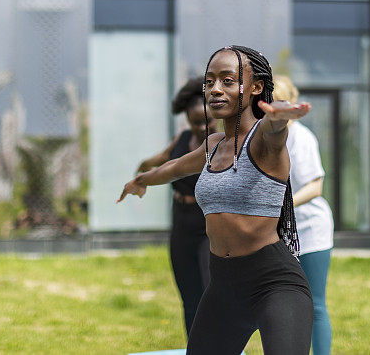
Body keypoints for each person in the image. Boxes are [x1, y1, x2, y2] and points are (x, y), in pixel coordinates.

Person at [119, 45, 314, 355]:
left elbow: (274, 133)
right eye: (209, 82)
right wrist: (141, 180)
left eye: (227, 80)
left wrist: (278, 119)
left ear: (255, 87)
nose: (215, 89)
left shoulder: (263, 139)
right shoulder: (213, 145)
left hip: (274, 283)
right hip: (224, 286)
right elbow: (175, 167)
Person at [134, 76, 217, 336]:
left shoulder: (222, 145)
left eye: (207, 121)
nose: (202, 127)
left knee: (209, 294)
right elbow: (160, 162)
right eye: (195, 123)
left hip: (209, 226)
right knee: (188, 295)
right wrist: (141, 173)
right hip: (181, 222)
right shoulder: (181, 140)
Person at [273, 75, 333, 355]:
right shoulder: (263, 136)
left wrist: (284, 207)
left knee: (314, 303)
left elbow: (316, 187)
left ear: (293, 103)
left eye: (280, 100)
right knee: (285, 304)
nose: (274, 106)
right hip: (281, 230)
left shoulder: (301, 137)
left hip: (310, 229)